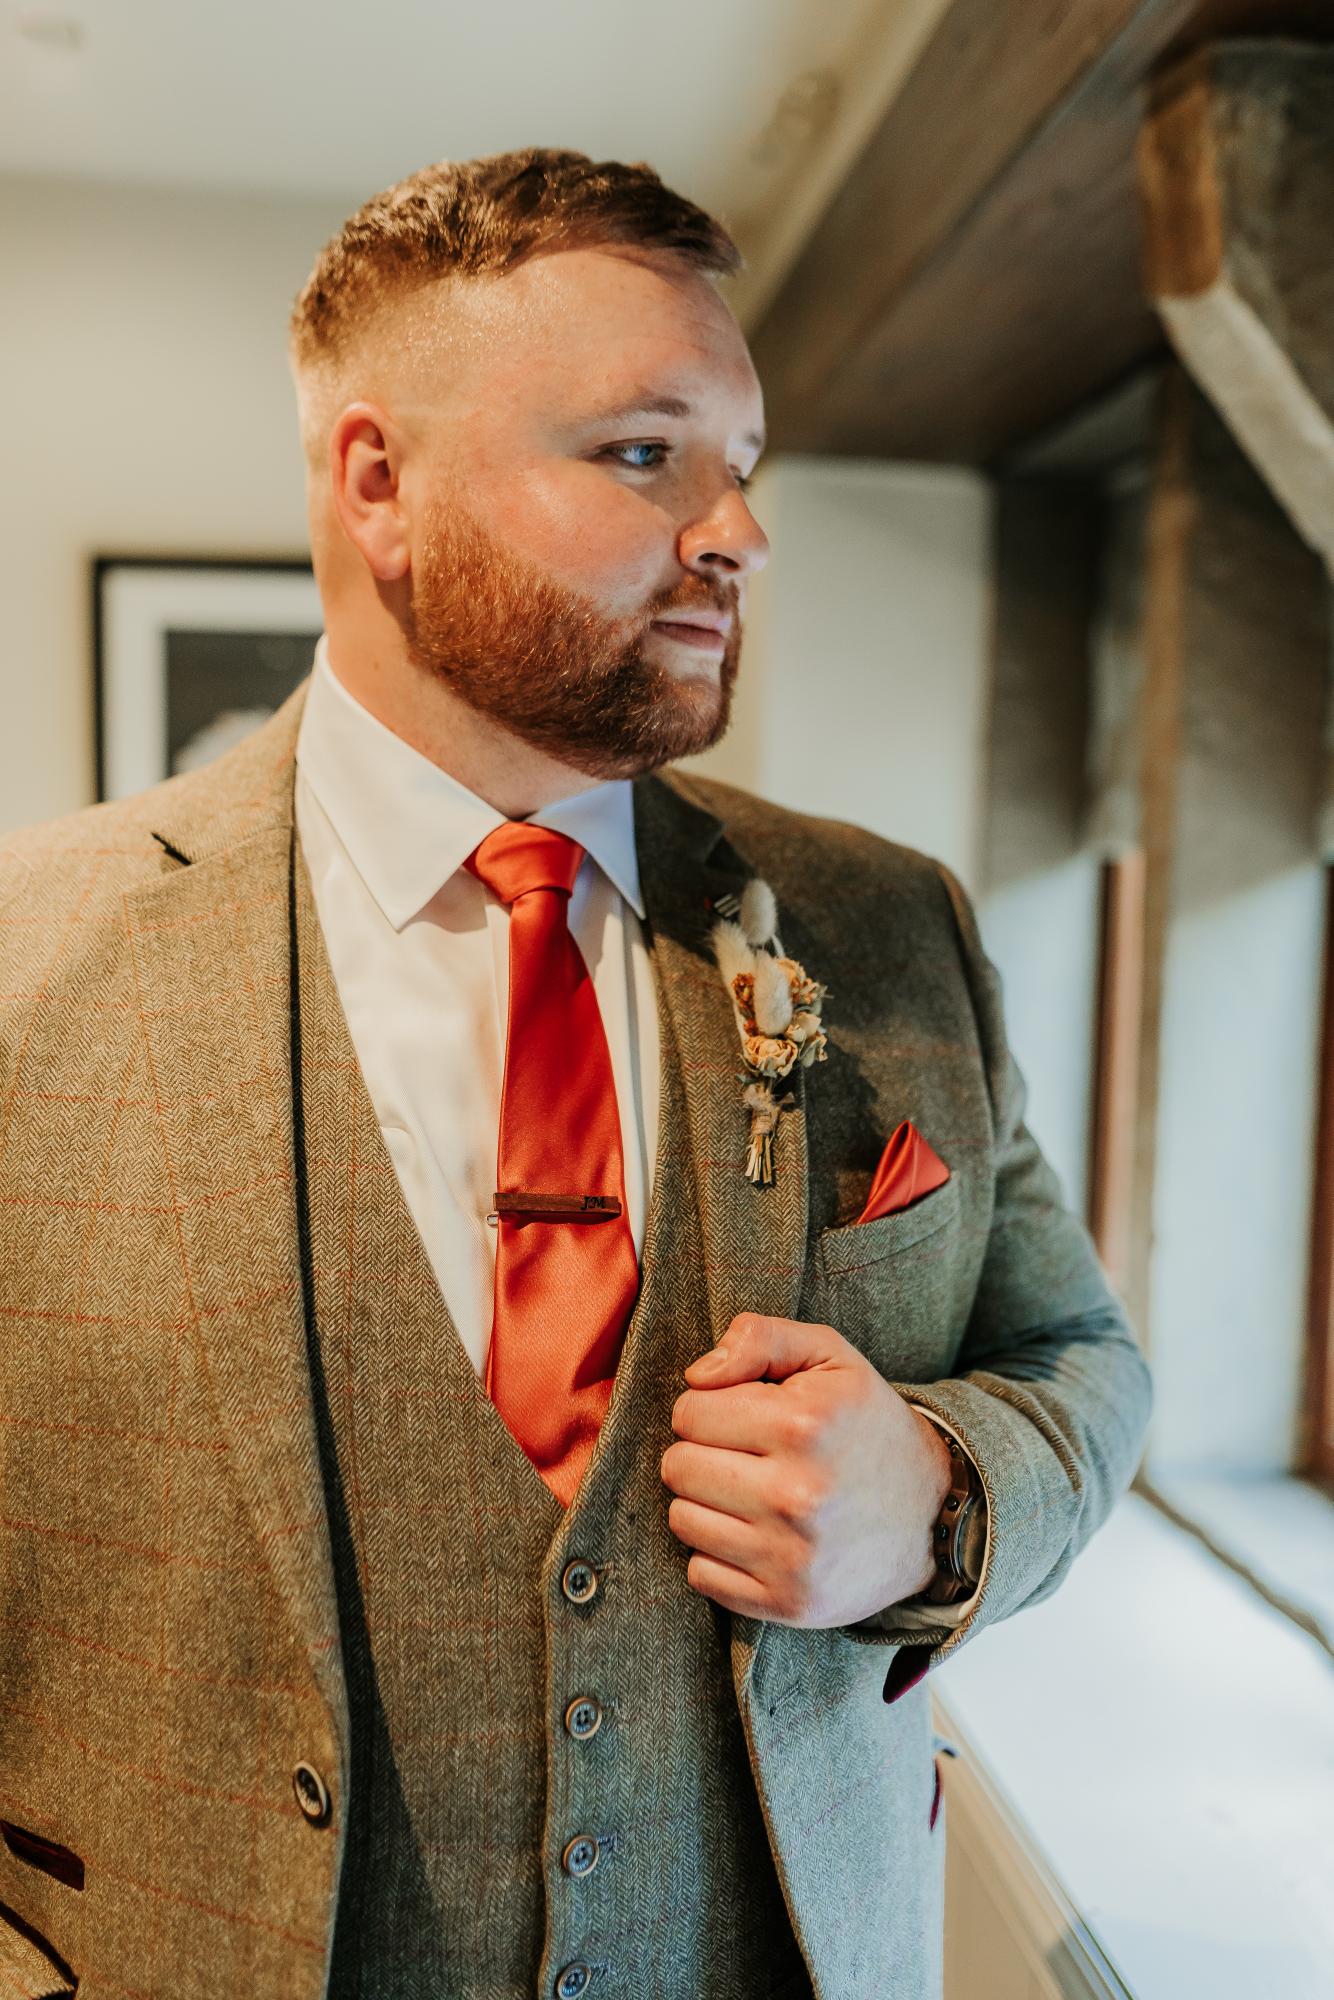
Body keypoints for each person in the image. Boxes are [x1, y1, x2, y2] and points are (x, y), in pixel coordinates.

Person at [0, 149, 1153, 2000]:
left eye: (741, 464)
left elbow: (1081, 1359)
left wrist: (941, 1494)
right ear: (378, 483)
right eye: (641, 454)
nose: (736, 530)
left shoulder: (885, 926)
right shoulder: (26, 963)